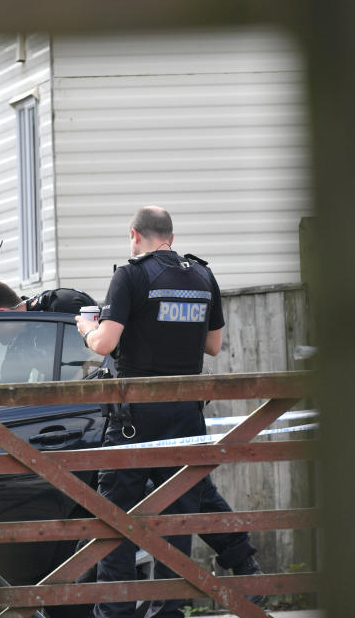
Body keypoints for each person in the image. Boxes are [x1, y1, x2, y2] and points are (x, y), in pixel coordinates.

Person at [75, 206, 259, 618]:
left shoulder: (131, 275)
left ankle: (117, 614)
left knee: (116, 515)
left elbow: (105, 345)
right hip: (185, 414)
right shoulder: (202, 276)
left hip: (134, 418)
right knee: (179, 514)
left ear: (134, 234)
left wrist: (86, 328)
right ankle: (171, 609)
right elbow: (213, 346)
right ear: (171, 238)